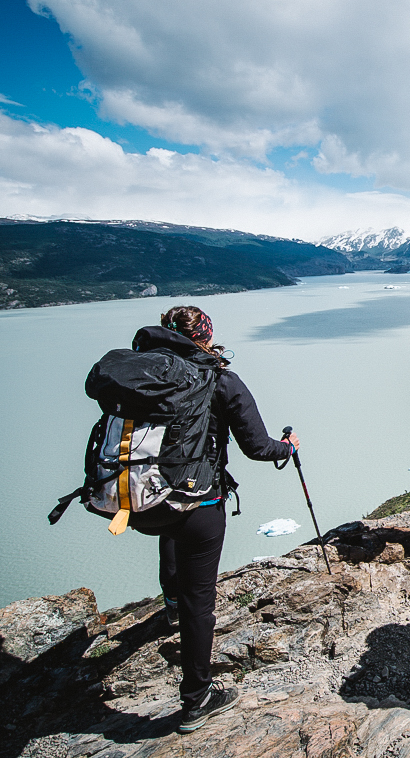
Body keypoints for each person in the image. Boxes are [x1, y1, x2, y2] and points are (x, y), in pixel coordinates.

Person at [127, 306, 297, 734]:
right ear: (206, 336)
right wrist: (288, 447)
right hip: (200, 502)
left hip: (148, 498)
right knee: (199, 603)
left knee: (171, 537)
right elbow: (257, 446)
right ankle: (197, 700)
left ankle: (169, 603)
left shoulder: (147, 375)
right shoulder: (220, 379)